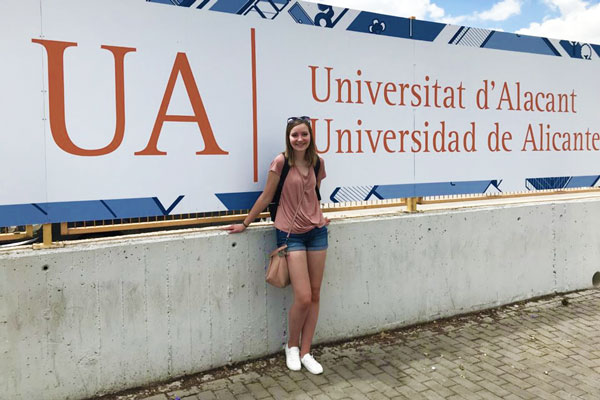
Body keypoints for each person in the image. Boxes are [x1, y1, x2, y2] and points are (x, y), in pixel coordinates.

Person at [223, 116, 329, 374]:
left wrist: (320, 215)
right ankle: (291, 346)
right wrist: (245, 223)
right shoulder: (280, 162)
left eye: (304, 134)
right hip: (290, 234)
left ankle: (306, 352)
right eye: (295, 135)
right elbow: (267, 195)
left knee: (315, 295)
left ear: (310, 136)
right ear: (288, 138)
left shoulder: (317, 162)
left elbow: (314, 194)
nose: (300, 139)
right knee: (302, 297)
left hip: (317, 233)